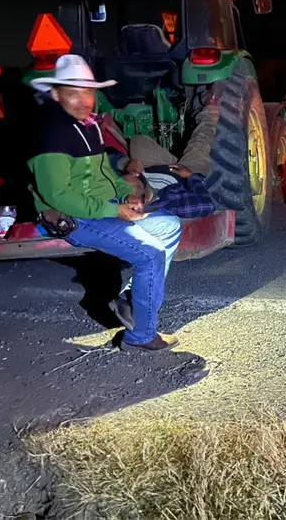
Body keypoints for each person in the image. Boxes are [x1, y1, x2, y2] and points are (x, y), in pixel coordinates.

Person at [26, 54, 183, 352]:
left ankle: (130, 301)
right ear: (56, 94)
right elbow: (58, 196)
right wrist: (114, 210)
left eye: (88, 92)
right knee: (150, 254)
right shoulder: (52, 134)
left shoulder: (87, 126)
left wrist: (125, 195)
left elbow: (105, 174)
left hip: (101, 208)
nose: (83, 101)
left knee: (170, 226)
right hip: (73, 217)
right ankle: (140, 337)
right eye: (73, 93)